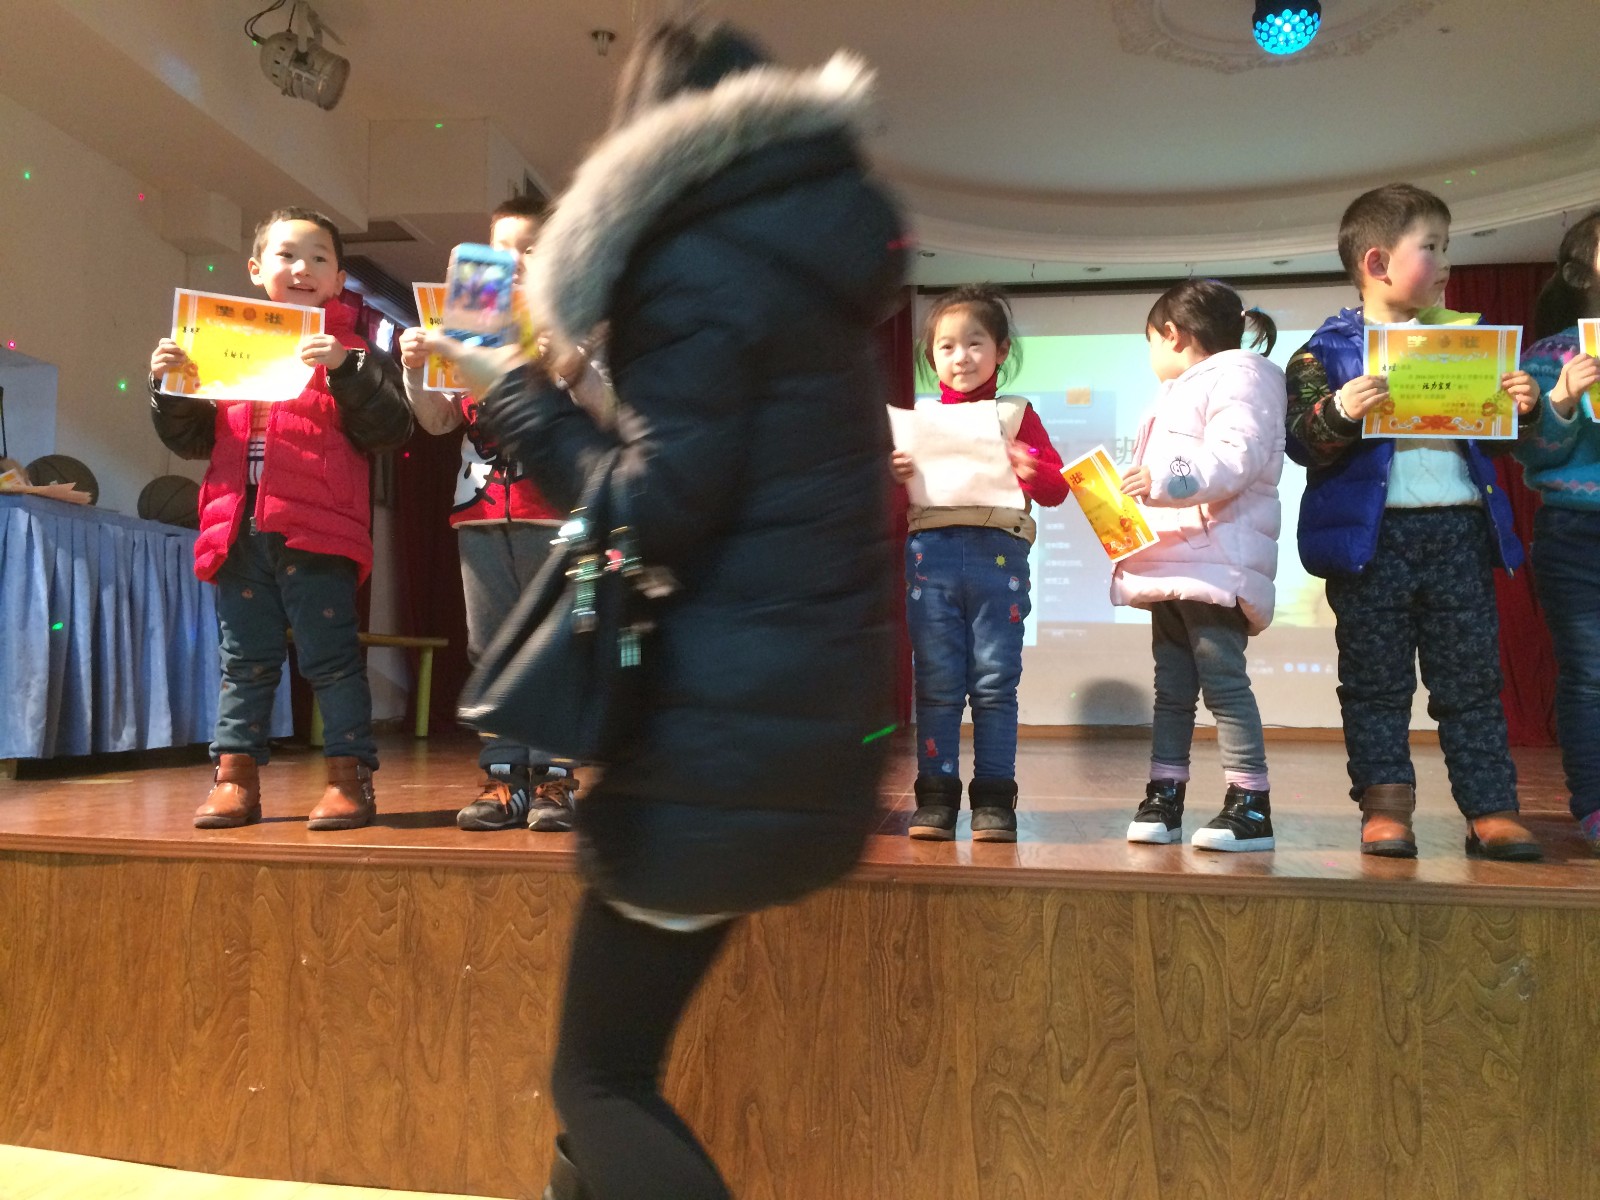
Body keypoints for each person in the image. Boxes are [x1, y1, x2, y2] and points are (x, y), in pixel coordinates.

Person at [421, 20, 905, 1200]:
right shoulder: (809, 271)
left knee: (599, 1082)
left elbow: (650, 512)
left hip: (714, 737)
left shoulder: (693, 265)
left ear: (652, 135)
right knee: (605, 1088)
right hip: (799, 718)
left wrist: (515, 398)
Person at [1284, 183, 1540, 859]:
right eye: (1432, 247)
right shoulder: (1322, 352)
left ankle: (1491, 809)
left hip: (1458, 531)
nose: (1447, 262)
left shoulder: (1470, 342)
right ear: (1377, 263)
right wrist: (1341, 409)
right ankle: (1386, 810)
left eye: (1446, 247)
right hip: (1372, 542)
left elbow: (1499, 444)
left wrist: (1524, 407)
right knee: (1376, 683)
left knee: (1472, 679)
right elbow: (1302, 441)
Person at [148, 208, 413, 830]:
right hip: (236, 527)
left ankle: (349, 779)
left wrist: (347, 370)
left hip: (319, 531)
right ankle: (234, 779)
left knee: (332, 660)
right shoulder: (222, 340)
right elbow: (191, 440)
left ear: (339, 277)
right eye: (287, 255)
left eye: (320, 258)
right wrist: (168, 385)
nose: (302, 268)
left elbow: (390, 428)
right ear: (256, 268)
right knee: (243, 662)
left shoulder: (353, 348)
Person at [397, 196, 592, 833]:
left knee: (556, 648)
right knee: (491, 648)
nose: (513, 261)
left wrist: (573, 363)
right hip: (480, 512)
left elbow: (610, 415)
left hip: (557, 513)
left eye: (530, 247)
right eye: (500, 248)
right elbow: (436, 422)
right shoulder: (466, 324)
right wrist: (415, 370)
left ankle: (555, 781)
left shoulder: (576, 321)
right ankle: (504, 778)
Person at [890, 284, 1067, 842]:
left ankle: (994, 798)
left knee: (994, 683)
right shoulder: (918, 422)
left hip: (1000, 558)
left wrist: (1031, 465)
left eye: (974, 343)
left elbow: (1058, 489)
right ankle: (936, 797)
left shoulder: (1017, 415)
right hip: (930, 559)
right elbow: (890, 507)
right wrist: (894, 476)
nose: (960, 357)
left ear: (1001, 350)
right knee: (936, 682)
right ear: (930, 355)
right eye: (946, 346)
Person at [1114, 279, 1285, 851]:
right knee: (1172, 688)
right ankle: (1164, 797)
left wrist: (1160, 479)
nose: (1150, 353)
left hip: (1213, 561)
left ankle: (1250, 804)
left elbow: (1236, 456)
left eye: (1149, 341)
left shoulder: (1241, 376)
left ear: (1172, 334)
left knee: (1224, 684)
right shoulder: (1178, 390)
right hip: (1174, 560)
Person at [1512, 209, 1600, 852]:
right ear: (1579, 273)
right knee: (1591, 673)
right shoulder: (1547, 355)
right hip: (1574, 532)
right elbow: (1533, 453)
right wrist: (1563, 400)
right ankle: (1595, 804)